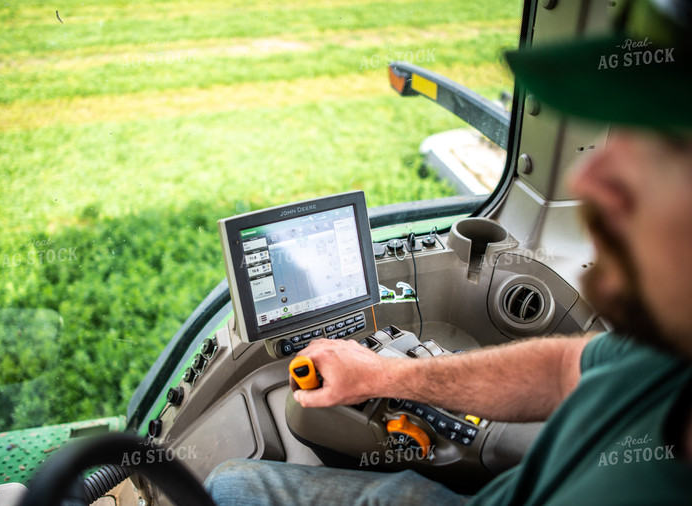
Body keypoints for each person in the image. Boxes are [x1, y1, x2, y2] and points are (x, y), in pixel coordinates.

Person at [204, 0, 692, 503]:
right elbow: (567, 368)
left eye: (667, 142)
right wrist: (389, 374)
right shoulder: (664, 353)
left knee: (227, 484)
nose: (587, 176)